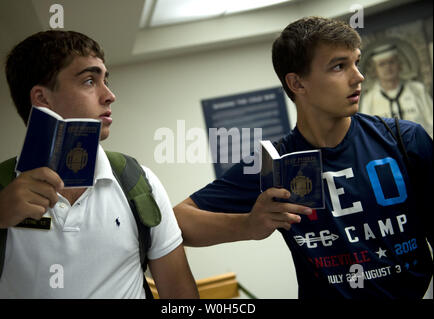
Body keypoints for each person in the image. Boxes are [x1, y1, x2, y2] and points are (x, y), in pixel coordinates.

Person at [174, 16, 433, 298]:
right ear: (297, 83)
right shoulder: (275, 164)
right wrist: (249, 224)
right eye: (339, 66)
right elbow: (178, 221)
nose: (358, 76)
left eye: (356, 62)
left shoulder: (403, 140)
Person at [0, 30, 199, 299]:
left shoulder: (139, 183)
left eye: (105, 80)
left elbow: (181, 297)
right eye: (89, 81)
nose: (109, 95)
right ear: (42, 98)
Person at [360, 44, 433, 137]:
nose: (388, 67)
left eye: (391, 62)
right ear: (374, 70)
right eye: (382, 64)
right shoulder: (369, 99)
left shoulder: (417, 90)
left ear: (399, 64)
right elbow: (367, 135)